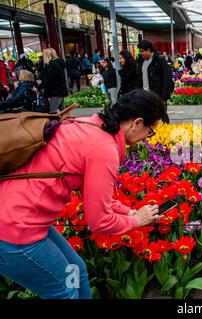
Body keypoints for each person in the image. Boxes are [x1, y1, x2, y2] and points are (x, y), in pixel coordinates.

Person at [0, 89, 166, 299]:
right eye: (150, 131)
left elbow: (94, 197)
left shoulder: (87, 124)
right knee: (63, 291)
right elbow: (99, 221)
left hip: (18, 217)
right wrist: (136, 222)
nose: (146, 139)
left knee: (76, 272)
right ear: (137, 123)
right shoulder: (104, 149)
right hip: (14, 231)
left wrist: (130, 212)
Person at [136, 40, 173, 123]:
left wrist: (163, 96)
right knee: (148, 117)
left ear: (149, 50)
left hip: (157, 95)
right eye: (140, 52)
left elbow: (167, 77)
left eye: (142, 51)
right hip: (145, 94)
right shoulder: (141, 61)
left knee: (162, 115)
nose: (141, 53)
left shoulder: (159, 60)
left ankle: (165, 132)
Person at [35, 48, 68, 113]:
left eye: (44, 55)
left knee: (52, 111)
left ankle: (59, 122)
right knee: (63, 111)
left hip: (56, 91)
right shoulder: (54, 64)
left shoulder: (54, 65)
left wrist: (38, 87)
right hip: (59, 90)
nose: (43, 57)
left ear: (48, 56)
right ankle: (71, 121)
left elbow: (48, 79)